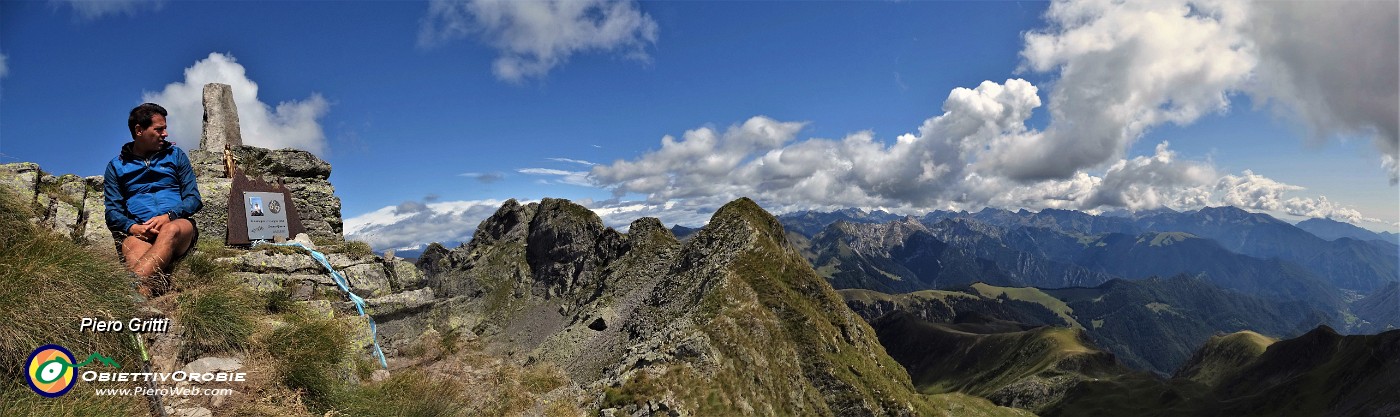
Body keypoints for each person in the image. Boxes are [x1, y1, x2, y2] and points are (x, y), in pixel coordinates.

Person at [104, 103, 202, 297]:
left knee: (170, 229)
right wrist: (133, 228)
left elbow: (194, 199)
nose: (165, 133)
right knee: (130, 247)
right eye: (159, 129)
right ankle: (142, 310)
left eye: (165, 128)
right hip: (141, 233)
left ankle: (124, 292)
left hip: (178, 226)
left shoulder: (176, 155)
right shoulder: (116, 167)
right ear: (139, 130)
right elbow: (112, 212)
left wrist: (169, 216)